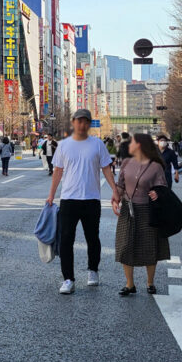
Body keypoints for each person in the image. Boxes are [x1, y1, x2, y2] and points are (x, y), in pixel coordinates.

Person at [46, 109, 118, 294]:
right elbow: (58, 171)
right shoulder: (63, 145)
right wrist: (51, 195)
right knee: (66, 239)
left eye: (86, 121)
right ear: (73, 122)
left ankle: (93, 270)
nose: (82, 124)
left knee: (92, 237)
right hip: (69, 199)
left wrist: (115, 190)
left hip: (91, 199)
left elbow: (106, 168)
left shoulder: (97, 144)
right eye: (79, 121)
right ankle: (68, 279)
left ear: (89, 124)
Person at [111, 133, 169, 296]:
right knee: (125, 246)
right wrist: (116, 197)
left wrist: (157, 194)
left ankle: (150, 282)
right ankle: (130, 284)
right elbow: (121, 185)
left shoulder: (155, 166)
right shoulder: (127, 163)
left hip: (148, 210)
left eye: (133, 142)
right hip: (128, 209)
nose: (130, 145)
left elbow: (162, 188)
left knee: (149, 246)